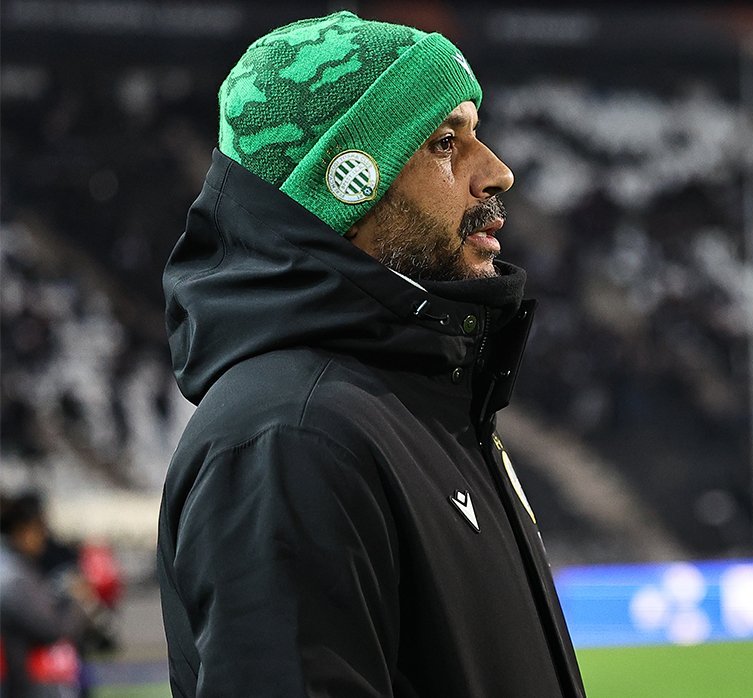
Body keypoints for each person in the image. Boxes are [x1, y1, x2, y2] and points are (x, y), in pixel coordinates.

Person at [157, 12, 584, 696]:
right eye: (445, 143)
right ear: (346, 186)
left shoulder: (423, 402)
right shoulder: (291, 438)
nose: (497, 172)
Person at [0, 492, 90, 697]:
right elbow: (53, 627)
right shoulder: (13, 577)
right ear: (23, 530)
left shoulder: (19, 568)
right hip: (24, 685)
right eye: (39, 529)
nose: (43, 537)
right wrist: (78, 602)